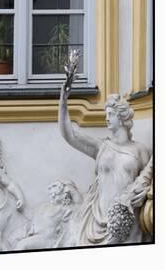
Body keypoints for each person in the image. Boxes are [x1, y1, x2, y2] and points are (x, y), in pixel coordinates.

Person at [58, 51, 152, 245]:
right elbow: (69, 134)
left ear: (123, 116)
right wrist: (63, 100)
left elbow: (148, 188)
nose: (107, 117)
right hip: (96, 220)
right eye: (106, 113)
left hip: (126, 221)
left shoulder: (141, 151)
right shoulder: (102, 146)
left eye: (111, 113)